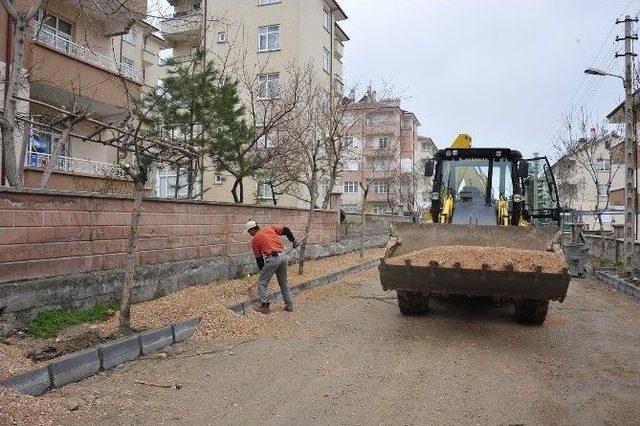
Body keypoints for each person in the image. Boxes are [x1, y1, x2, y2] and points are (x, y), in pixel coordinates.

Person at [246, 220, 298, 314]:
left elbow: (259, 259)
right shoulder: (269, 228)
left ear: (253, 230)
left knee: (262, 283)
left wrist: (263, 272)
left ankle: (265, 306)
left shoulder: (255, 240)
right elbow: (286, 230)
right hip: (282, 255)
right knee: (283, 283)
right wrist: (293, 240)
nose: (249, 234)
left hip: (272, 258)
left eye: (249, 231)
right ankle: (289, 305)